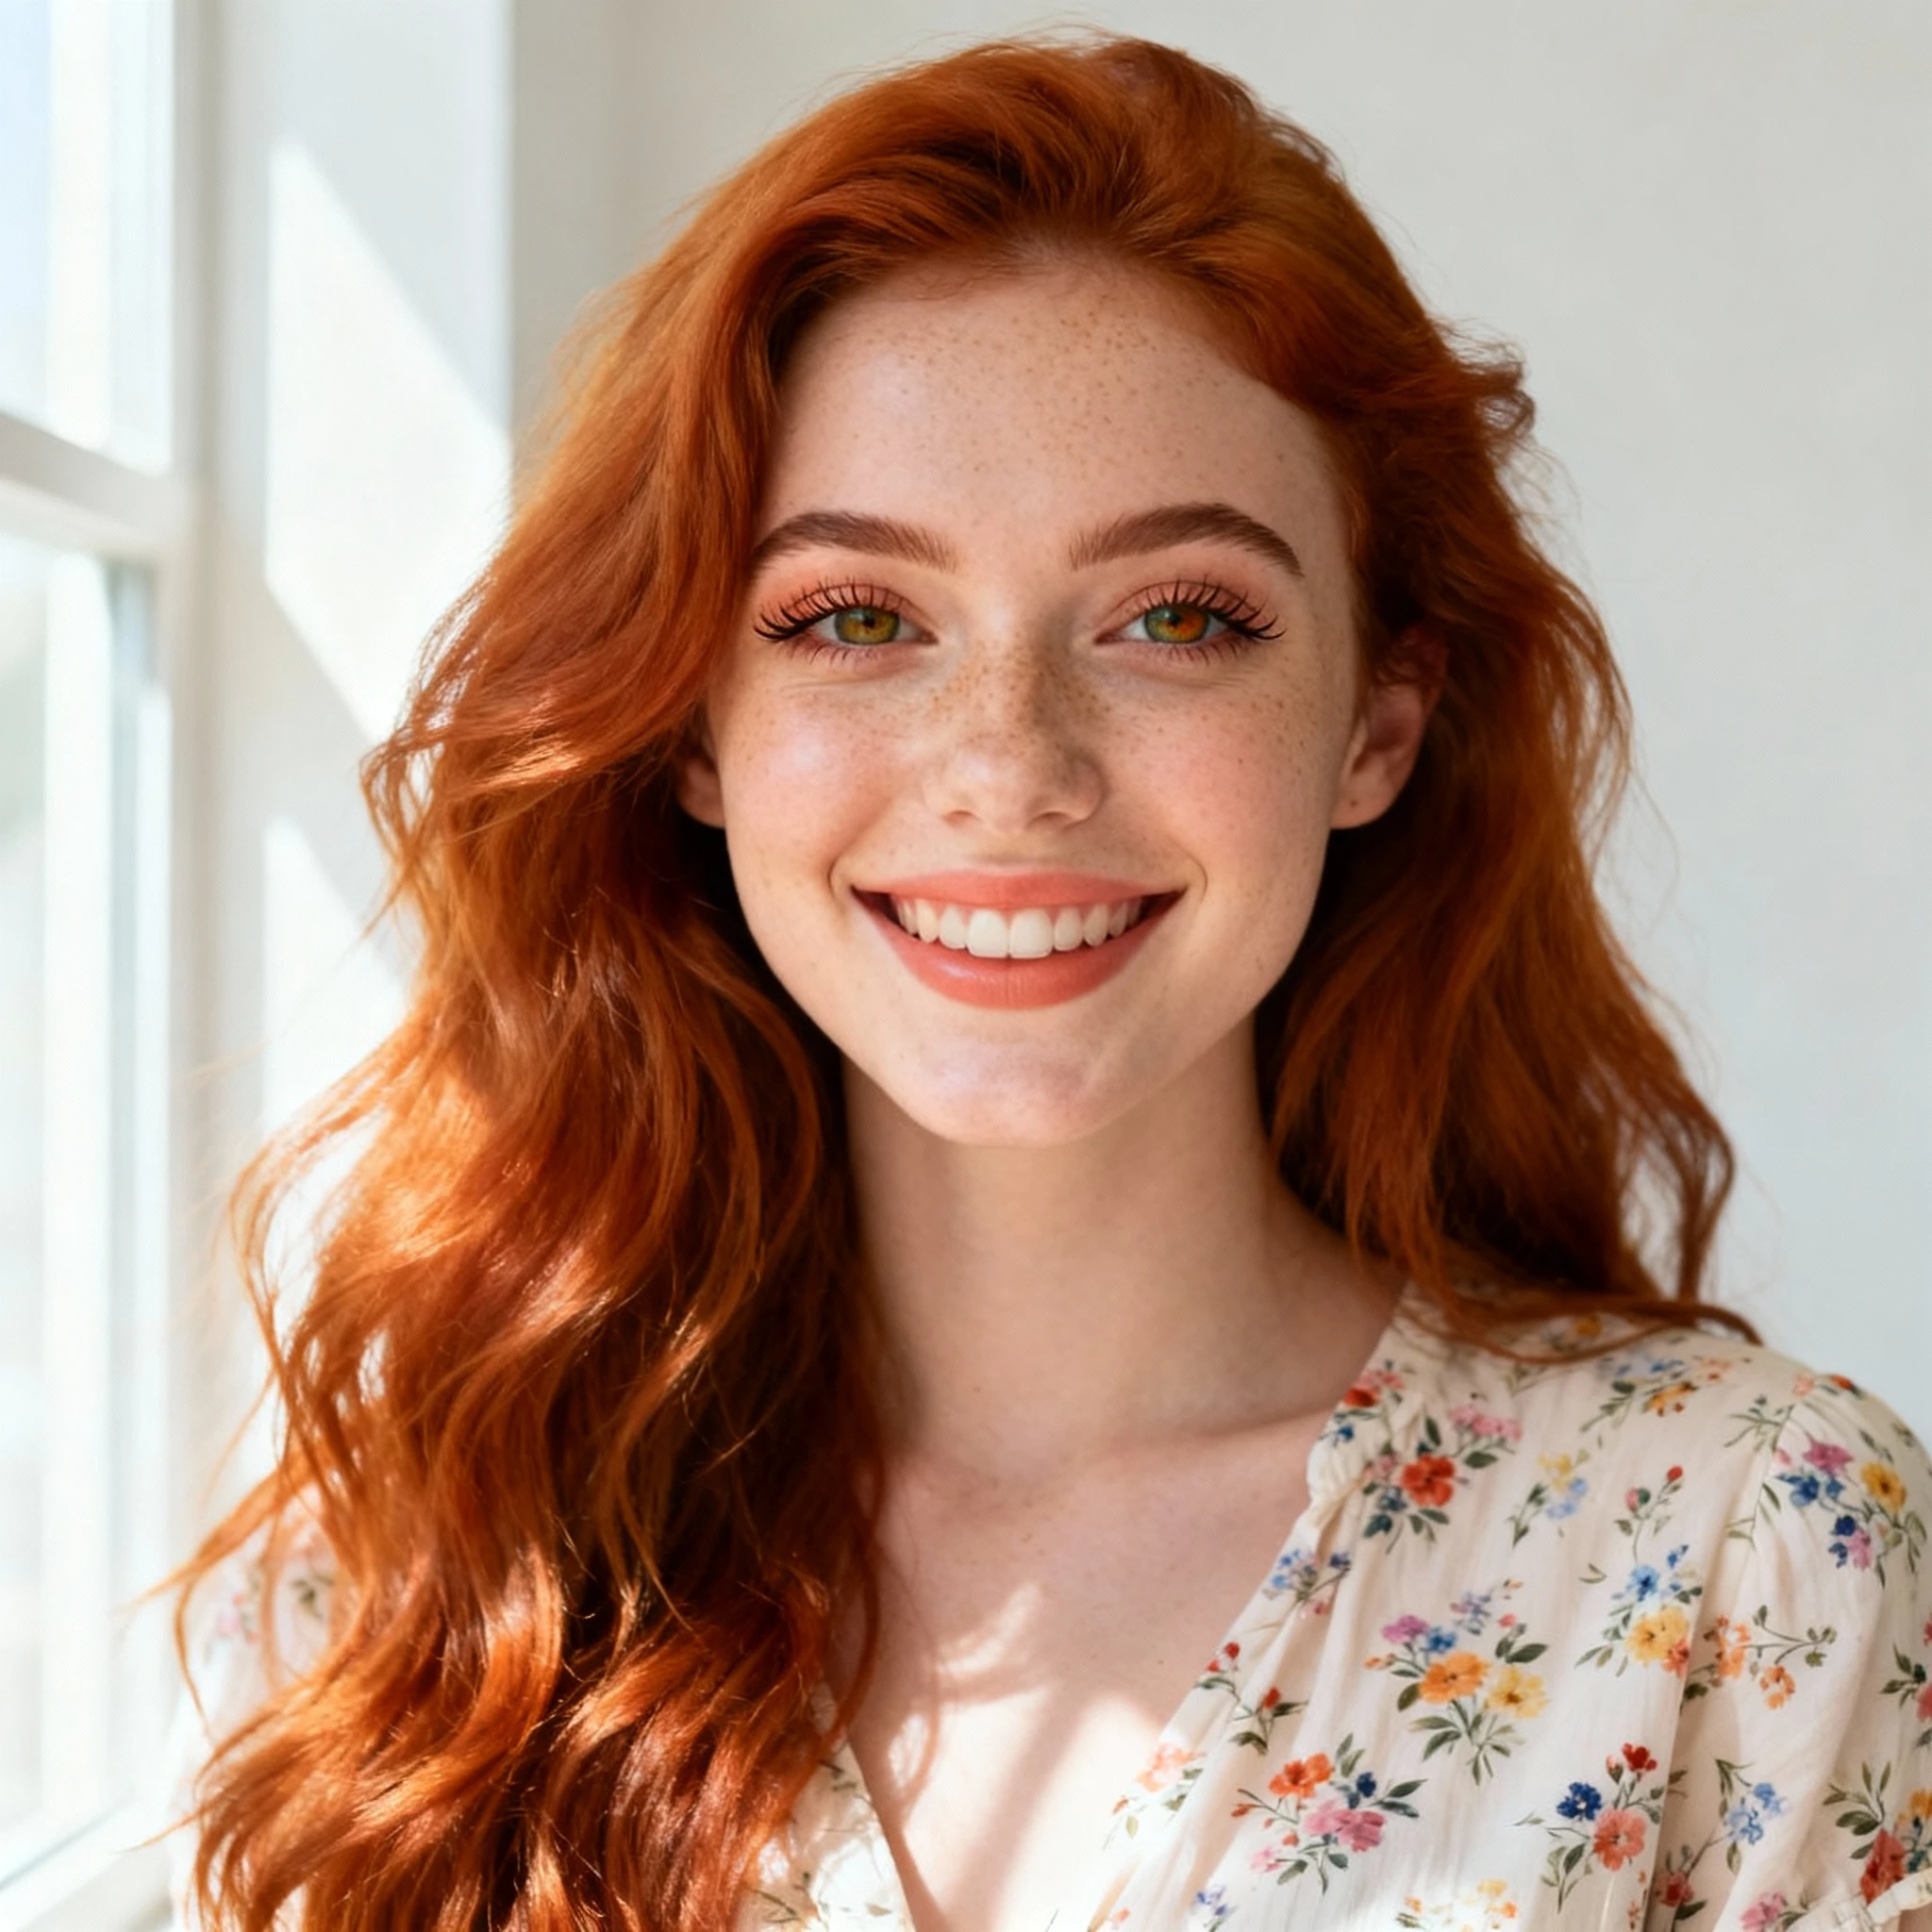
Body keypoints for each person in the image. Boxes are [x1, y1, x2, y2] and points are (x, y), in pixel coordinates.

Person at [172, 33, 1932, 1932]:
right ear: (690, 724)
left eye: (1178, 618)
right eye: (856, 618)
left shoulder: (1744, 1551)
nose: (1009, 761)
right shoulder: (442, 1581)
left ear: (1377, 722)